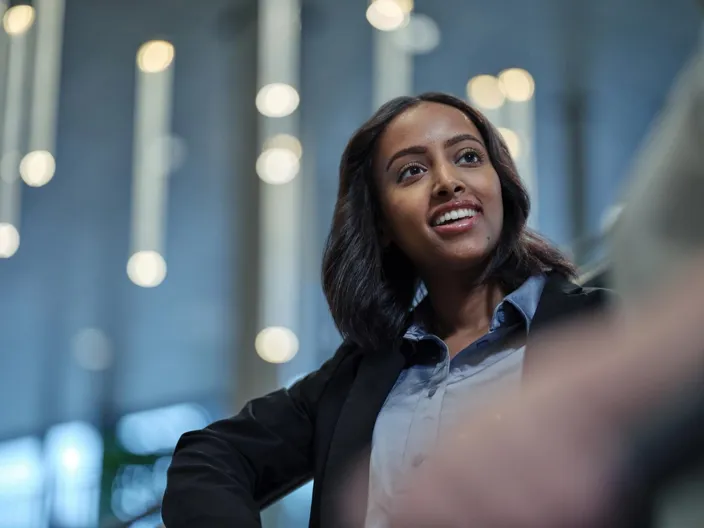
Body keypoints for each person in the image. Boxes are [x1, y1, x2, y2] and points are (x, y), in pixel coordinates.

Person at [161, 92, 612, 528]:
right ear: (382, 226)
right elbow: (210, 457)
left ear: (502, 185)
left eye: (469, 157)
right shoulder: (356, 376)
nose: (448, 181)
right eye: (412, 171)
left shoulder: (605, 327)